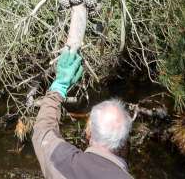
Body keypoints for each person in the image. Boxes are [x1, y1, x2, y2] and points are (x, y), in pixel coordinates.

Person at [32, 50, 133, 179]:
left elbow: (43, 133)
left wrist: (60, 86)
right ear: (123, 142)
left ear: (88, 130)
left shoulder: (64, 162)